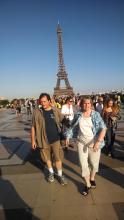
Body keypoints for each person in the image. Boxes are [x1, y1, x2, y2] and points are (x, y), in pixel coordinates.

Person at [65, 96, 106, 196]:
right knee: (83, 165)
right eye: (84, 103)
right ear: (81, 104)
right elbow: (71, 126)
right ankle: (87, 184)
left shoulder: (96, 115)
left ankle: (92, 178)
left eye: (88, 103)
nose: (86, 105)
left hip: (94, 143)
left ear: (91, 105)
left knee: (93, 163)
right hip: (81, 142)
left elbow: (103, 128)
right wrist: (67, 137)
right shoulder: (78, 114)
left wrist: (98, 142)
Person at [31, 93, 67, 185]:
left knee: (58, 158)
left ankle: (60, 175)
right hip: (43, 140)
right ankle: (51, 172)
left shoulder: (55, 110)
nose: (43, 103)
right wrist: (33, 140)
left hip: (56, 139)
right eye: (41, 101)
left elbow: (63, 120)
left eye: (45, 101)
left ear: (49, 101)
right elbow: (33, 127)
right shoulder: (36, 112)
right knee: (47, 159)